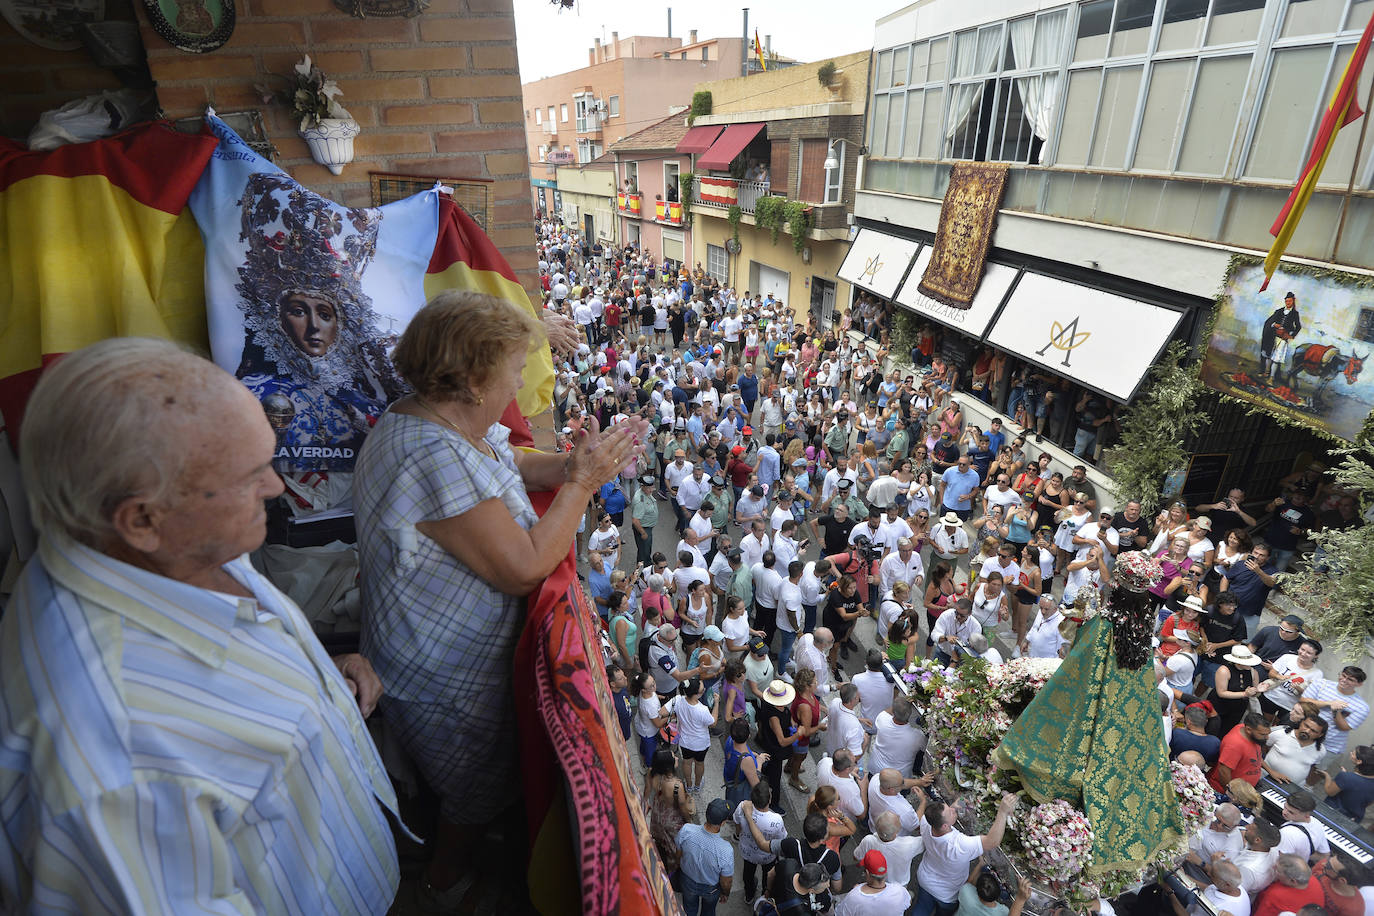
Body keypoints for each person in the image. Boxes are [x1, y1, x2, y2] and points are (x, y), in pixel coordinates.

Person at [0, 339, 398, 914]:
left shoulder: (172, 539)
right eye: (250, 473)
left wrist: (311, 679)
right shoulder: (118, 766)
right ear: (140, 519)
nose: (276, 487)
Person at [353, 293, 642, 902]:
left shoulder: (435, 420)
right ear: (475, 380)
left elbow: (502, 464)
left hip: (441, 656)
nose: (520, 380)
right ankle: (444, 879)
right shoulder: (428, 454)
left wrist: (571, 464)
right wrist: (585, 484)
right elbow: (526, 567)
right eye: (514, 366)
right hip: (442, 675)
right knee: (473, 793)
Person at [915, 793, 1019, 916]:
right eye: (951, 812)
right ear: (945, 826)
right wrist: (1002, 811)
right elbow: (992, 842)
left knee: (920, 909)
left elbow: (946, 814)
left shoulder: (927, 823)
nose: (953, 810)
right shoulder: (958, 845)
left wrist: (959, 804)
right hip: (946, 894)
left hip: (924, 879)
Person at [676, 797, 735, 915]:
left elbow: (679, 854)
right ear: (723, 823)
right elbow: (726, 881)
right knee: (708, 911)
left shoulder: (686, 830)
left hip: (687, 880)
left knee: (689, 909)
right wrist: (725, 893)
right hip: (710, 888)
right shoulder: (725, 850)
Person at [1302, 666, 1370, 767]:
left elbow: (1344, 727)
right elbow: (1304, 701)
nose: (1344, 680)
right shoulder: (1321, 684)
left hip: (1329, 745)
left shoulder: (1362, 707)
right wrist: (1329, 703)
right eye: (1343, 675)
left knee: (1314, 774)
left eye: (1350, 679)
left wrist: (1336, 712)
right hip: (1305, 734)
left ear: (1359, 684)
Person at [733, 781, 786, 903]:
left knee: (748, 872)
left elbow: (736, 823)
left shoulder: (743, 806)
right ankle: (765, 894)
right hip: (768, 855)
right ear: (769, 800)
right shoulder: (776, 819)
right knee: (768, 875)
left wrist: (738, 834)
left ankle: (749, 895)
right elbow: (781, 838)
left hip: (747, 851)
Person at [855, 811, 925, 894]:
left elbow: (856, 857)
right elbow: (927, 840)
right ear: (895, 833)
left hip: (877, 881)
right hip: (900, 884)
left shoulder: (868, 840)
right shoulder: (909, 844)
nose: (899, 816)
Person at [835, 850, 912, 915]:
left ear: (867, 873)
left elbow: (839, 913)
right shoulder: (899, 890)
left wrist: (856, 892)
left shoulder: (855, 897)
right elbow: (908, 902)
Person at [1209, 712, 1272, 790]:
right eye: (1263, 734)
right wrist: (1232, 793)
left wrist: (1271, 771)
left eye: (1268, 734)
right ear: (1248, 730)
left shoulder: (1246, 729)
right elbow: (1223, 771)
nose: (1267, 737)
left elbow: (1255, 756)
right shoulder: (1234, 745)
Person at [1318, 745, 1374, 822]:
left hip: (1332, 814)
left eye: (1353, 753)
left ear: (1359, 761)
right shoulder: (1348, 777)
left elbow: (1330, 792)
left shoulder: (1346, 777)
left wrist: (1327, 776)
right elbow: (1368, 802)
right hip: (1353, 819)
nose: (1350, 753)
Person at [1253, 855, 1323, 916]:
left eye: (1277, 870)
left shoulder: (1275, 896)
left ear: (1293, 881)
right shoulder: (1313, 880)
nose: (1273, 867)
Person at [1265, 716, 1327, 785]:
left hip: (1292, 787)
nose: (1307, 731)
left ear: (1320, 735)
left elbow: (1312, 766)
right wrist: (1269, 770)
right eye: (1306, 726)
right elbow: (1260, 748)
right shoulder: (1281, 734)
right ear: (1301, 723)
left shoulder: (1321, 750)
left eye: (1313, 731)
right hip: (1266, 776)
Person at [1275, 790, 1331, 863]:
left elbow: (1278, 860)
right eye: (1285, 807)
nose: (1284, 812)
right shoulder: (1317, 823)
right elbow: (1325, 855)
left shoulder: (1288, 833)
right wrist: (1303, 856)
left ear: (1307, 815)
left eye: (1291, 812)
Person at [1260, 292, 1303, 383]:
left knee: (1276, 358)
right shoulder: (1279, 311)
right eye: (1286, 301)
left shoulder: (1295, 314)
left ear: (1293, 301)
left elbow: (1298, 327)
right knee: (1269, 355)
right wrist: (1274, 324)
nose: (1288, 303)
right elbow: (1270, 322)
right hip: (1273, 336)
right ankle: (1266, 373)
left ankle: (1271, 378)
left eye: (1290, 301)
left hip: (1283, 338)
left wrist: (1291, 335)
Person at [955, 868, 1031, 916]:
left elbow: (969, 883)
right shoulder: (1002, 912)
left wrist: (980, 864)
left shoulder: (965, 892)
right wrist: (1020, 899)